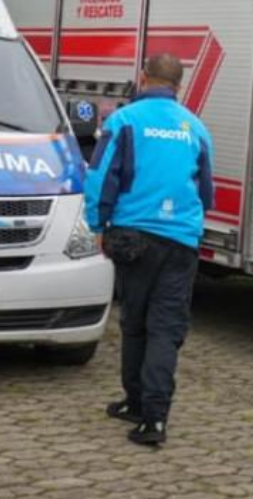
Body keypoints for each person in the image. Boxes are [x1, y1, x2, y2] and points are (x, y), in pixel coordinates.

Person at [84, 53, 214, 447]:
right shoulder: (195, 128)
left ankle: (137, 402)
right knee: (166, 328)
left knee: (136, 322)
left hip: (133, 237)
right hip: (180, 243)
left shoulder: (124, 121)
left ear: (143, 78)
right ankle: (154, 419)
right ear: (179, 86)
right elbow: (205, 192)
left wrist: (97, 224)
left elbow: (100, 177)